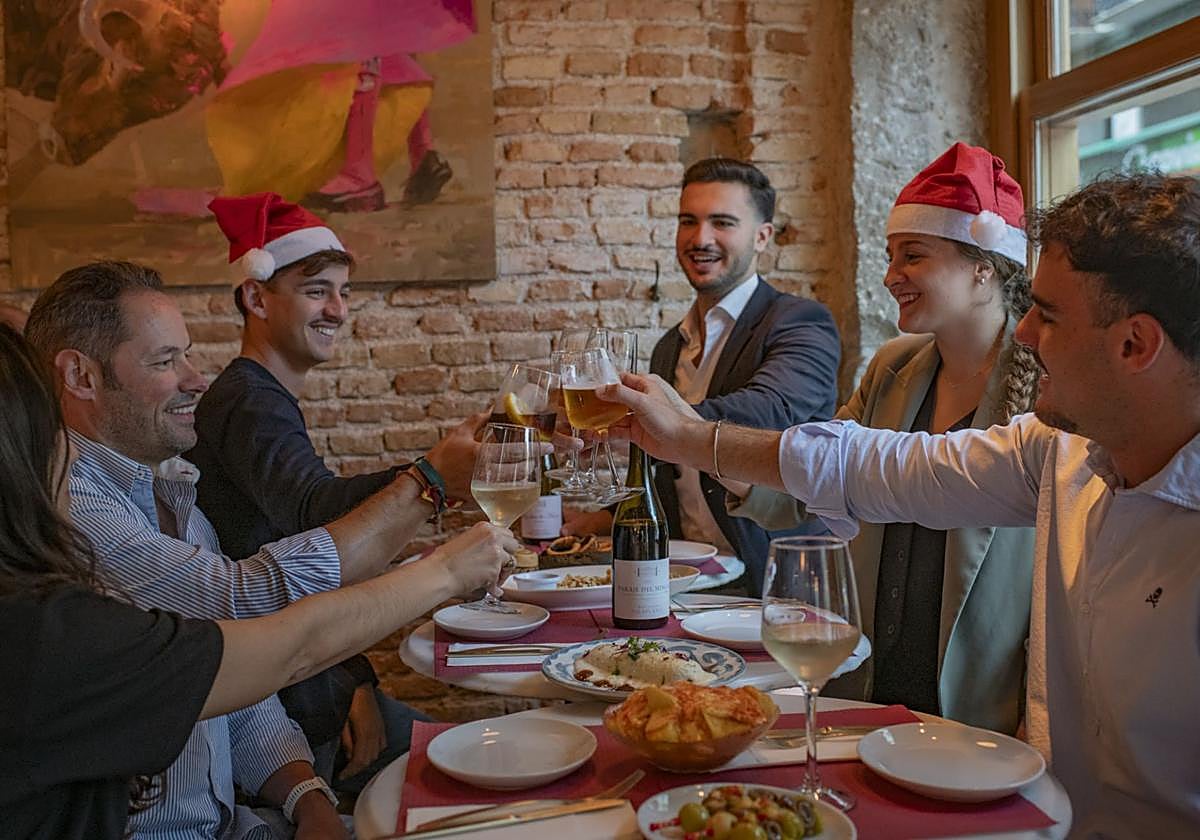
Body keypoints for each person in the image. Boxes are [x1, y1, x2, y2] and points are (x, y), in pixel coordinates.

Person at [600, 172, 1200, 837]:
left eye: (1049, 315)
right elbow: (871, 465)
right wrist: (688, 437)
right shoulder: (1057, 452)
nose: (1025, 329)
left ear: (1135, 344)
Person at [0, 322, 516, 840]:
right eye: (165, 361)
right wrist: (441, 548)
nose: (198, 379)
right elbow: (270, 626)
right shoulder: (46, 621)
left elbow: (230, 681)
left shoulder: (173, 491)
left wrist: (307, 797)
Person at [719, 143, 1039, 732]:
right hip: (870, 683)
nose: (891, 277)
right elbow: (810, 486)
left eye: (913, 256)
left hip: (982, 707)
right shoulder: (893, 365)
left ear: (984, 265)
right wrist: (716, 453)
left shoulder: (1049, 388)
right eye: (891, 257)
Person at [186, 192, 462, 793]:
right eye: (318, 291)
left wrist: (355, 676)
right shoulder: (250, 402)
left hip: (312, 682)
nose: (338, 309)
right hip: (279, 714)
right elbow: (317, 517)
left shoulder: (259, 397)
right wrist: (435, 475)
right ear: (256, 296)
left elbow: (303, 546)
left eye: (344, 292)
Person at [565, 158, 841, 595]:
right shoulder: (668, 347)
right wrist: (599, 519)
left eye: (723, 222)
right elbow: (671, 482)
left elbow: (770, 412)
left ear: (762, 236)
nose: (700, 238)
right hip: (688, 581)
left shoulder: (801, 321)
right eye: (688, 221)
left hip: (775, 582)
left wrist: (656, 418)